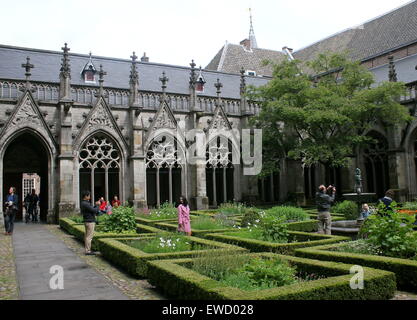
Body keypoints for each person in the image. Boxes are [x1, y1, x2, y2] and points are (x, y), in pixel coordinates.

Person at [80, 190, 101, 255]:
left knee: (87, 236)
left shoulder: (84, 203)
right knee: (89, 237)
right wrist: (97, 205)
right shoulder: (85, 204)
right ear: (86, 196)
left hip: (87, 221)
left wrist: (95, 205)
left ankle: (87, 250)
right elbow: (94, 211)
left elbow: (91, 210)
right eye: (89, 195)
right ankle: (88, 251)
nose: (90, 197)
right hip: (90, 221)